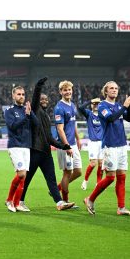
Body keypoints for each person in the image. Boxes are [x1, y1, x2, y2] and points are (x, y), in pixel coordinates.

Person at [19, 78, 75, 211]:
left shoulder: (46, 116)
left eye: (46, 99)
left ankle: (59, 203)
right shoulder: (35, 110)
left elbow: (49, 138)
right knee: (27, 179)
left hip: (46, 152)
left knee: (51, 179)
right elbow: (36, 96)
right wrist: (38, 85)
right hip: (35, 151)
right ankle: (19, 201)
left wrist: (63, 146)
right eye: (42, 99)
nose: (44, 101)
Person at [84, 81, 130, 215]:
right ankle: (90, 199)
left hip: (122, 145)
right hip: (109, 146)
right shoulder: (102, 105)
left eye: (116, 88)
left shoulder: (118, 105)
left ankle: (121, 208)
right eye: (111, 88)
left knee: (122, 177)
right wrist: (125, 107)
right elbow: (110, 118)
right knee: (110, 177)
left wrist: (128, 107)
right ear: (106, 91)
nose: (114, 90)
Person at [4, 86, 38, 213]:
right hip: (15, 145)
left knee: (23, 177)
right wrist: (26, 117)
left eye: (23, 94)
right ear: (13, 96)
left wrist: (30, 113)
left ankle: (17, 203)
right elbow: (12, 126)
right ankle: (9, 200)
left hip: (26, 146)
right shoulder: (9, 111)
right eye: (18, 94)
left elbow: (36, 124)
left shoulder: (26, 109)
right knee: (21, 174)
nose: (21, 96)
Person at [54, 80, 82, 203]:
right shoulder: (59, 107)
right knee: (67, 173)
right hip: (65, 145)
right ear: (60, 92)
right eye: (65, 90)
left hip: (73, 144)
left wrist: (78, 138)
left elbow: (73, 123)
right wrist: (67, 146)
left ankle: (57, 188)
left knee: (78, 171)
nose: (67, 92)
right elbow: (60, 129)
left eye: (69, 89)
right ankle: (65, 201)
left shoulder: (72, 105)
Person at [78, 98, 103, 191]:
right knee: (93, 163)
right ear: (91, 105)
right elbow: (80, 108)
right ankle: (85, 180)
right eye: (94, 104)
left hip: (102, 143)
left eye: (97, 104)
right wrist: (90, 101)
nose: (96, 105)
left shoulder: (103, 114)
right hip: (93, 143)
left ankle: (98, 183)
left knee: (101, 163)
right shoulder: (89, 114)